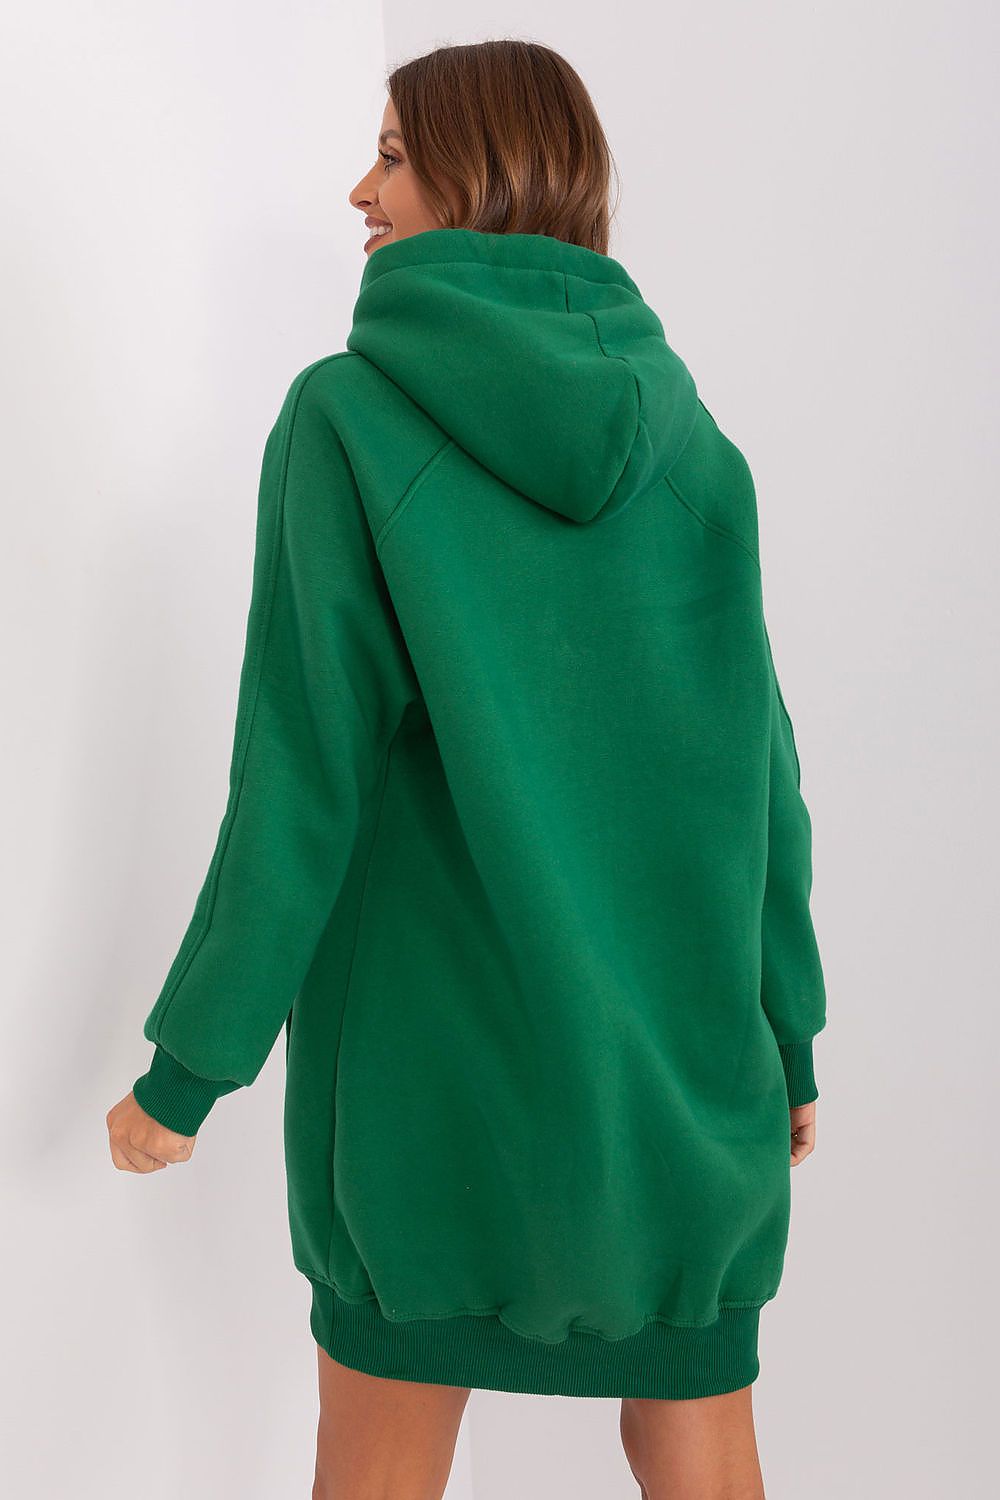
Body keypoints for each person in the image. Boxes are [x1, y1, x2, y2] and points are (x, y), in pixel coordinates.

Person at [106, 38, 826, 1500]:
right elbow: (758, 775)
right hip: (678, 1091)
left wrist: (189, 1070)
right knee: (697, 1439)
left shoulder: (346, 419)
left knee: (377, 1466)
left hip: (426, 1096)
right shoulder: (700, 450)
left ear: (478, 168)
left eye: (391, 152)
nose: (359, 190)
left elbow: (299, 782)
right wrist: (791, 1035)